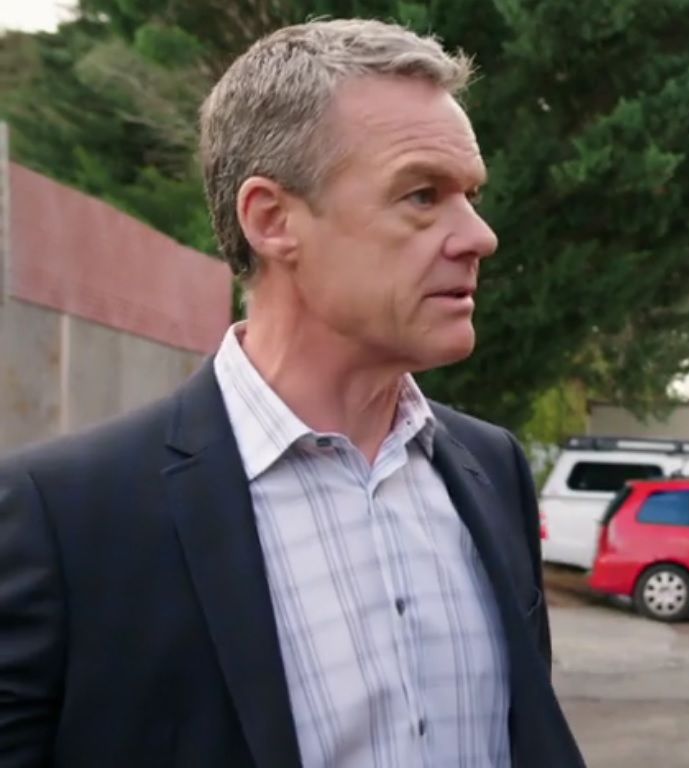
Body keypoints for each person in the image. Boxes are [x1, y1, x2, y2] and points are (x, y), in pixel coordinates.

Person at [0, 18, 584, 768]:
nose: (479, 236)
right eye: (422, 195)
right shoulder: (63, 518)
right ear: (272, 220)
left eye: (469, 195)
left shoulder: (491, 468)